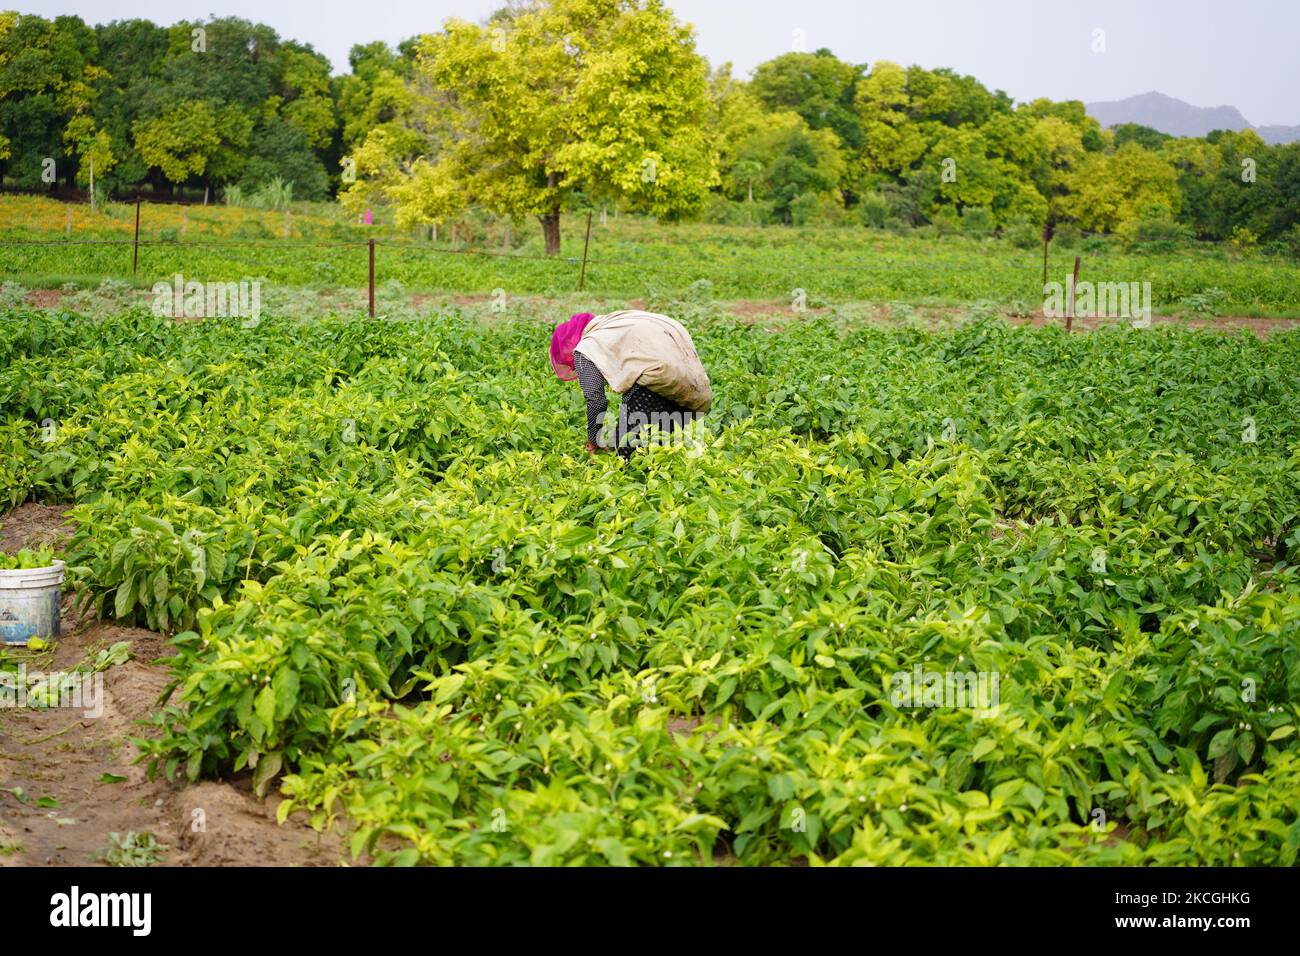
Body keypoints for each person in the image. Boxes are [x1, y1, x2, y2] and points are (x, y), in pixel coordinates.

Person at [549, 310, 713, 459]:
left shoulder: (586, 347)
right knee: (668, 453)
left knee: (627, 457)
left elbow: (595, 399)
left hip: (655, 378)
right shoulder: (618, 322)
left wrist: (594, 438)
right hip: (691, 385)